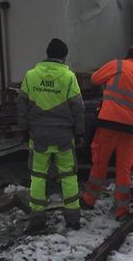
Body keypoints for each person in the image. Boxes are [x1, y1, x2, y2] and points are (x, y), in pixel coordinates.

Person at [17, 38, 85, 233]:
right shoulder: (68, 77)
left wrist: (24, 129)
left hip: (39, 137)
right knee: (68, 176)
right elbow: (78, 108)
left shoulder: (31, 76)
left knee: (38, 177)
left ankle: (37, 219)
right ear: (64, 56)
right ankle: (73, 219)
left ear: (47, 54)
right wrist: (79, 133)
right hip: (63, 137)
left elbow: (21, 105)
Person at [81, 46, 133, 220]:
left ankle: (89, 200)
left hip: (108, 124)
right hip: (130, 129)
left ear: (127, 56)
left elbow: (94, 79)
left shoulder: (117, 65)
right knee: (124, 169)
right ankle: (122, 210)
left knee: (100, 163)